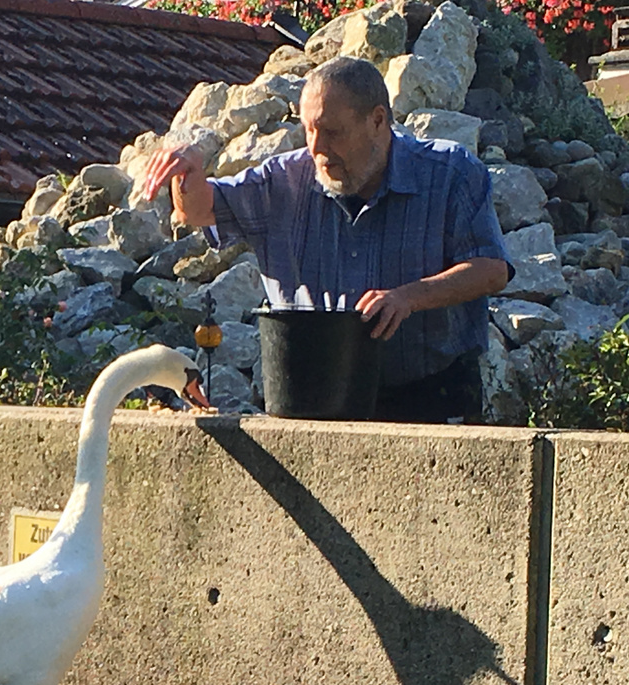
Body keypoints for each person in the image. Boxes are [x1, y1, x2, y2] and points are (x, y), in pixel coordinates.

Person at [144, 56, 512, 423]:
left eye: (332, 131)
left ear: (378, 121)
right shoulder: (283, 181)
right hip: (312, 402)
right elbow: (200, 210)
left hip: (430, 399)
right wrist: (186, 173)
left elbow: (490, 269)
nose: (317, 148)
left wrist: (409, 297)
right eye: (308, 131)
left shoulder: (450, 174)